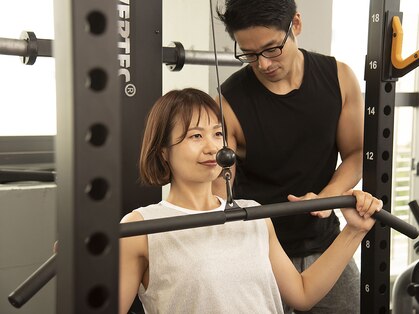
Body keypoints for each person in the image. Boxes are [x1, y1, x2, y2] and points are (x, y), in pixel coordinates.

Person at [118, 88, 380, 314]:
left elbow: (302, 293)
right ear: (163, 150)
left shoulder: (253, 215)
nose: (212, 147)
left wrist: (354, 231)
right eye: (196, 136)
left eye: (218, 134)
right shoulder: (142, 228)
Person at [214, 1, 365, 313]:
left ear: (295, 25)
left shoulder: (339, 78)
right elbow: (217, 188)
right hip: (258, 254)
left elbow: (356, 153)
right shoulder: (229, 102)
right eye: (250, 55)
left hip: (324, 244)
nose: (263, 64)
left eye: (272, 49)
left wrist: (327, 198)